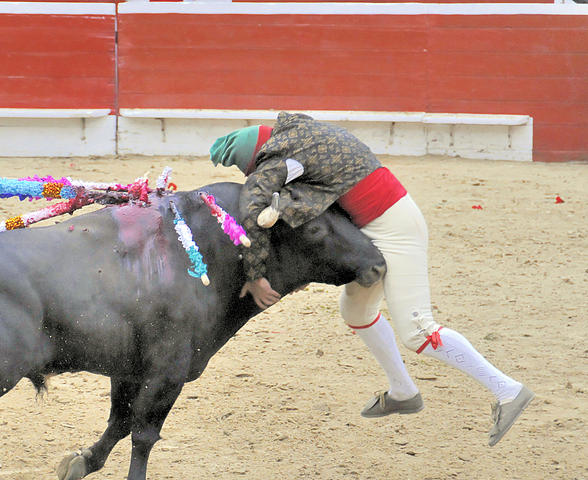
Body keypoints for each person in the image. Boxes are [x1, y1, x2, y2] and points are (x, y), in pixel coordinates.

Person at [209, 112, 533, 446]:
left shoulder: (281, 158)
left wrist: (256, 275)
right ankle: (403, 391)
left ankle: (508, 391)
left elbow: (254, 208)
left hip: (396, 229)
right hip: (376, 228)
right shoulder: (299, 132)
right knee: (356, 312)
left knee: (418, 329)